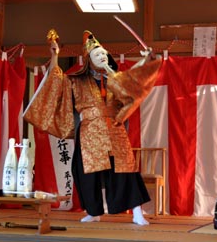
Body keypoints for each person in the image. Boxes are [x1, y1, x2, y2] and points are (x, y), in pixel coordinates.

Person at [24, 29, 162, 225]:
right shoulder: (76, 81)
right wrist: (54, 57)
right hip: (89, 129)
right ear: (88, 59)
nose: (102, 56)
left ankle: (137, 212)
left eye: (104, 53)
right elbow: (56, 84)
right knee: (86, 172)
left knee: (126, 169)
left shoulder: (116, 77)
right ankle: (93, 210)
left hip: (114, 127)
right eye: (97, 54)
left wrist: (148, 59)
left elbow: (133, 87)